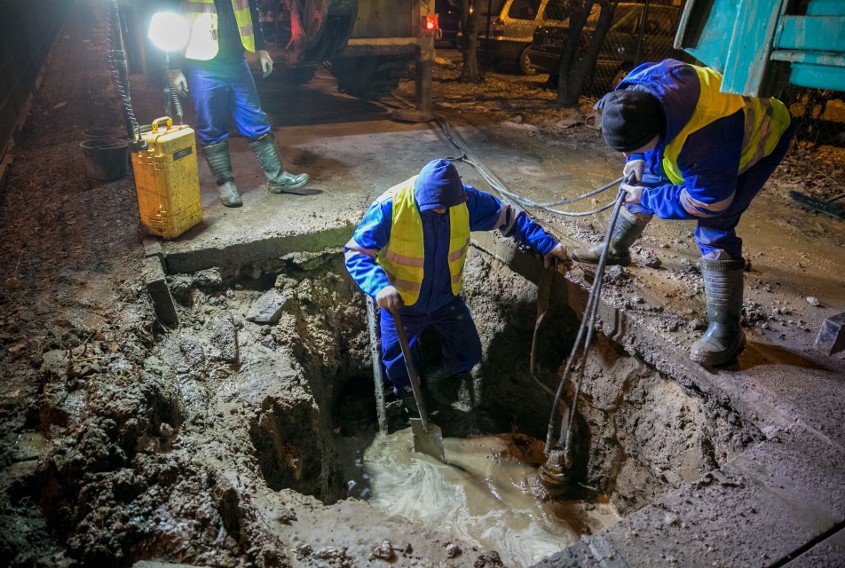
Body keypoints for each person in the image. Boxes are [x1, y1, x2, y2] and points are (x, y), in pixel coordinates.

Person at [572, 59, 793, 368]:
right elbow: (625, 120)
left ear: (660, 131)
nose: (623, 155)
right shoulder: (636, 87)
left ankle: (727, 332)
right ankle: (615, 250)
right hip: (690, 130)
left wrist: (649, 199)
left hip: (759, 135)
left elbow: (708, 201)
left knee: (715, 225)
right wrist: (636, 157)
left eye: (632, 147)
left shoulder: (707, 138)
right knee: (644, 179)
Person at [344, 159, 569, 417]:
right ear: (420, 194)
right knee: (397, 365)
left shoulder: (464, 201)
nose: (442, 212)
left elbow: (511, 218)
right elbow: (356, 253)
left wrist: (545, 243)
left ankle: (435, 377)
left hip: (445, 298)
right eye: (435, 208)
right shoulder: (390, 208)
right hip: (401, 303)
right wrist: (379, 286)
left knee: (469, 354)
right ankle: (409, 393)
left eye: (446, 208)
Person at [167, 0, 310, 207]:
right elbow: (172, 21)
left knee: (255, 118)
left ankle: (277, 178)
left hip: (237, 60)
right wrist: (174, 67)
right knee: (210, 125)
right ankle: (226, 185)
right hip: (202, 64)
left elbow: (252, 10)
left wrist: (261, 50)